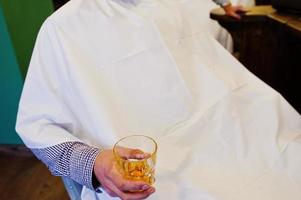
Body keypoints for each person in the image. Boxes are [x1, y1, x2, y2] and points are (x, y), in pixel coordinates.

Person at [16, 0, 301, 200]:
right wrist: (93, 162)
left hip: (232, 142)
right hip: (152, 173)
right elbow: (38, 126)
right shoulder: (62, 29)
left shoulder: (171, 8)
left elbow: (221, 82)